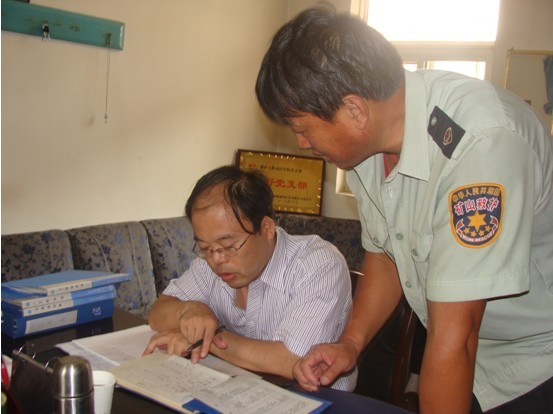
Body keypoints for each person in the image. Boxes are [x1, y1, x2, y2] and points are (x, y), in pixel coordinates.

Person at [255, 7, 553, 414]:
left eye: (302, 129)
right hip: (474, 354)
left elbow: (457, 334)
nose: (302, 144)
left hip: (537, 358)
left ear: (354, 110)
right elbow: (386, 254)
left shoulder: (479, 144)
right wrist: (351, 343)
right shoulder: (368, 147)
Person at [144, 165, 356, 391]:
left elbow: (293, 361)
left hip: (315, 398)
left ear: (266, 228)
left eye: (229, 245)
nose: (217, 259)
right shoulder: (209, 263)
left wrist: (204, 338)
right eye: (205, 247)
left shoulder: (318, 264)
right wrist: (188, 310)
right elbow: (157, 314)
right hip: (235, 389)